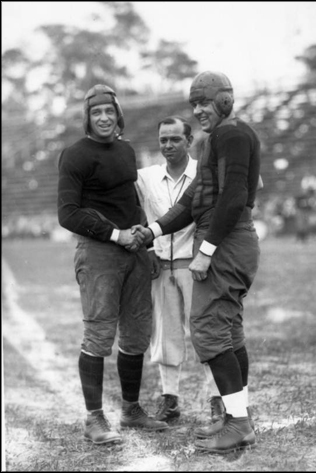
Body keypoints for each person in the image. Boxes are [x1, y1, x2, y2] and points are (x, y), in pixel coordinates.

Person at [133, 71, 261, 454]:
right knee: (228, 331)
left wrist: (205, 252)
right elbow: (190, 203)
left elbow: (233, 196)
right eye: (194, 103)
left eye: (204, 102)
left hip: (225, 240)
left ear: (225, 99)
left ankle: (237, 422)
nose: (198, 110)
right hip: (225, 238)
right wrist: (153, 230)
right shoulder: (215, 139)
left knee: (207, 328)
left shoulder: (231, 134)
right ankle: (238, 415)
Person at [57, 84, 168, 445]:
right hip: (100, 252)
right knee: (99, 335)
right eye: (96, 112)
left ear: (118, 114)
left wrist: (146, 247)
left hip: (135, 251)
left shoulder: (125, 149)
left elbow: (130, 202)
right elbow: (67, 213)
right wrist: (115, 234)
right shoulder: (74, 155)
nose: (103, 118)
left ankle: (132, 410)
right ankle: (93, 418)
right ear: (87, 118)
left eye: (109, 111)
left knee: (136, 334)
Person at [135, 116, 225, 423]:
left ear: (189, 141)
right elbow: (126, 203)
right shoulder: (146, 177)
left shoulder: (204, 170)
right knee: (165, 334)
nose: (168, 145)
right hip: (160, 266)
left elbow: (247, 185)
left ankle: (217, 399)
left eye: (175, 139)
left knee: (204, 332)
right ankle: (170, 399)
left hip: (196, 265)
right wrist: (147, 249)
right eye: (163, 140)